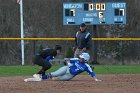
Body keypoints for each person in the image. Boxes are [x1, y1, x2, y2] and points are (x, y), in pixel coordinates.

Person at [24, 53, 101, 82]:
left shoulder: (86, 66)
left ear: (85, 59)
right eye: (81, 57)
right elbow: (68, 60)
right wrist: (68, 63)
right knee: (55, 73)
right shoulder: (76, 59)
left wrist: (96, 79)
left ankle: (48, 77)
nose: (80, 58)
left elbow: (91, 72)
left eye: (82, 57)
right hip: (67, 68)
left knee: (56, 79)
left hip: (69, 76)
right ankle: (41, 77)